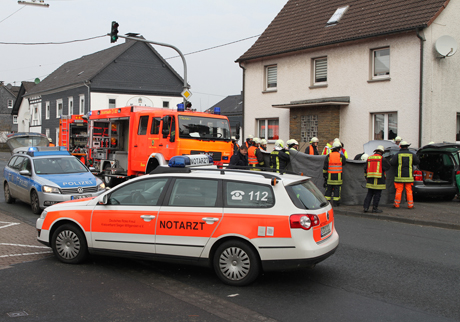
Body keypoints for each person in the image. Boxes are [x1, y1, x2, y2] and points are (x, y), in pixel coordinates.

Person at [390, 141, 420, 209]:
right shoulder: (412, 154)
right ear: (407, 146)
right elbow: (417, 162)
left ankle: (396, 204)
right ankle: (410, 205)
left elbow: (392, 163)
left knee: (399, 191)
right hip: (409, 177)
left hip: (399, 177)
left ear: (400, 146)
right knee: (409, 191)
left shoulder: (397, 154)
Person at [363, 145, 390, 213]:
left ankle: (366, 207)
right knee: (377, 195)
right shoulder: (382, 159)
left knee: (369, 194)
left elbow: (365, 169)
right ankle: (374, 208)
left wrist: (366, 177)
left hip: (370, 180)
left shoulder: (369, 158)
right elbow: (387, 167)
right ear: (382, 152)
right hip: (379, 180)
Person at [323, 141, 346, 206]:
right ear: (338, 149)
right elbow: (344, 163)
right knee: (337, 190)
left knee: (328, 189)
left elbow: (325, 167)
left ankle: (327, 203)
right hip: (338, 177)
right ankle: (336, 203)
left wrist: (325, 176)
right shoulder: (341, 156)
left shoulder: (328, 156)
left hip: (330, 177)